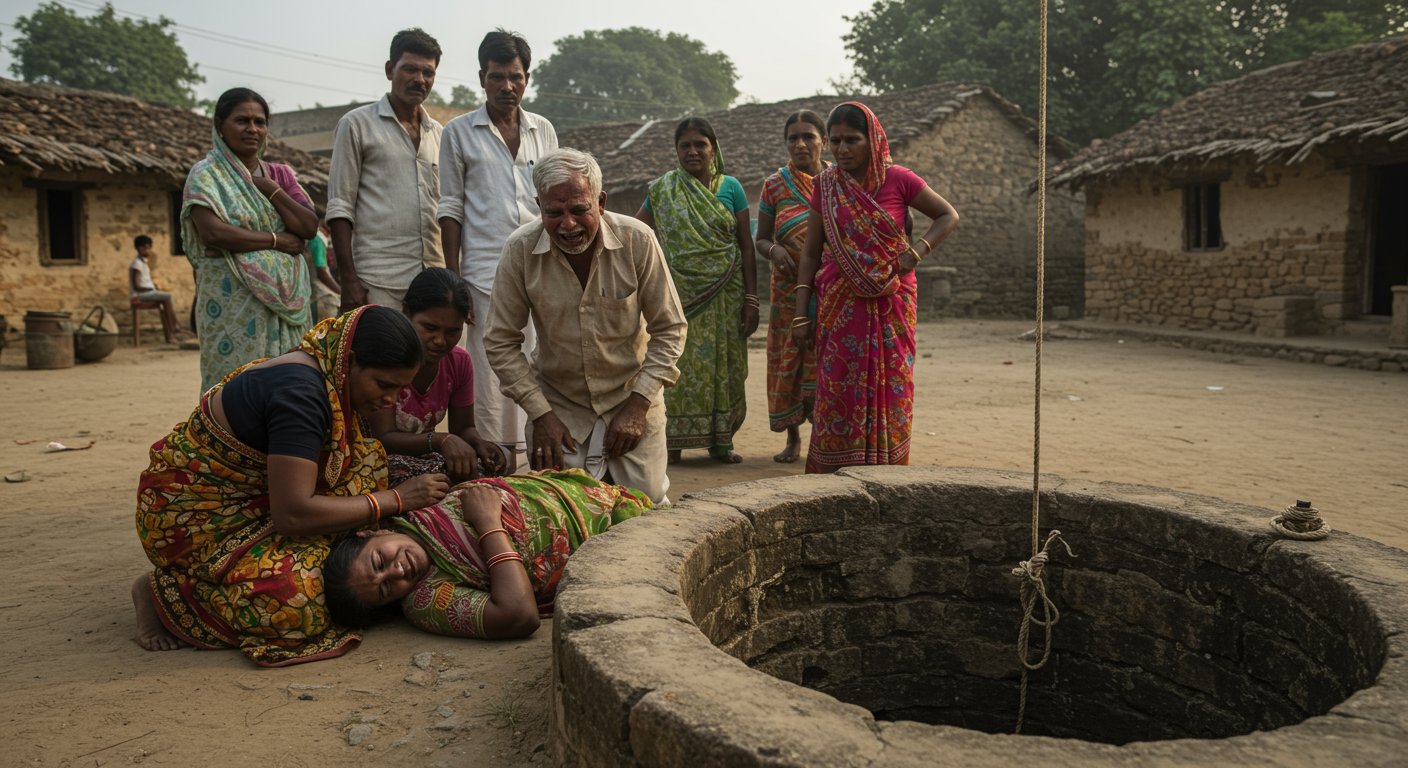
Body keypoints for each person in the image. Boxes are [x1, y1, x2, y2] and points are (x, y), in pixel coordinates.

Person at [130, 306, 451, 666]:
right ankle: (170, 593)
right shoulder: (302, 396)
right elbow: (292, 515)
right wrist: (394, 500)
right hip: (193, 525)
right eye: (384, 384)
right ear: (352, 361)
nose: (391, 400)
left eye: (400, 389)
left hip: (257, 497)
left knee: (374, 477)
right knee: (295, 599)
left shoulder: (327, 375)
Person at [487, 149, 687, 505]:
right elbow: (501, 342)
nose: (568, 224)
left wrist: (640, 403)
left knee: (648, 502)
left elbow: (670, 328)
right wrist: (540, 413)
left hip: (630, 392)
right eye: (554, 212)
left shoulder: (637, 240)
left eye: (579, 210)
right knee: (560, 507)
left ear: (601, 202)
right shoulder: (519, 249)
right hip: (559, 403)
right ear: (539, 205)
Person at [792, 102, 959, 473]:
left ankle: (887, 472)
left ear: (874, 140)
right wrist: (801, 313)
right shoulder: (826, 185)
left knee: (893, 387)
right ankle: (834, 476)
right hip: (839, 302)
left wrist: (917, 252)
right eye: (835, 141)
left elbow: (948, 215)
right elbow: (810, 253)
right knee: (838, 389)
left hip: (892, 303)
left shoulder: (900, 179)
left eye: (852, 140)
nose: (842, 149)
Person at [322, 470, 651, 638]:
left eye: (379, 561)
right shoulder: (425, 600)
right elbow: (517, 616)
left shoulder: (412, 505)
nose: (395, 573)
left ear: (371, 532)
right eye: (384, 589)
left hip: (587, 492)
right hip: (598, 535)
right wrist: (489, 523)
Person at [438, 29, 558, 471]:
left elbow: (552, 196)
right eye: (496, 77)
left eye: (515, 76)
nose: (507, 86)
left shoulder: (542, 129)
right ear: (481, 78)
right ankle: (495, 462)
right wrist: (454, 279)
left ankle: (539, 460)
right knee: (490, 369)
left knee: (541, 359)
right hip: (484, 271)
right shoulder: (458, 132)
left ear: (527, 78)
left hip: (543, 264)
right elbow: (450, 207)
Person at [636, 117, 757, 464]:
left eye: (699, 144)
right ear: (676, 151)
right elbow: (638, 231)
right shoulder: (662, 190)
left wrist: (752, 298)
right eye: (684, 145)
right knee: (677, 366)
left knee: (726, 363)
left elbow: (746, 246)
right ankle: (672, 445)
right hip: (680, 295)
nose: (692, 151)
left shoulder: (731, 187)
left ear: (713, 148)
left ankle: (722, 443)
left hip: (727, 293)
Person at [182, 87, 319, 392]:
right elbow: (213, 233)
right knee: (232, 387)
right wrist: (276, 240)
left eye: (260, 121)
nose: (252, 129)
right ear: (220, 126)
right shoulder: (206, 175)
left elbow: (308, 226)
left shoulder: (280, 175)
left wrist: (270, 189)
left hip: (288, 303)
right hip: (231, 303)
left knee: (290, 385)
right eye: (242, 120)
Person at [328, 28, 445, 312]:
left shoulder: (439, 134)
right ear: (390, 69)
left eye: (428, 73)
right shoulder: (356, 125)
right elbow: (340, 207)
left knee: (430, 356)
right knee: (382, 356)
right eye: (410, 69)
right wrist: (349, 281)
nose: (420, 79)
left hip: (432, 276)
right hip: (376, 278)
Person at [369, 268, 507, 485]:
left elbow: (463, 428)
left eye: (452, 331)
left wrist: (479, 443)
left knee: (484, 472)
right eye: (430, 328)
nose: (440, 341)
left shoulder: (458, 362)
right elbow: (383, 437)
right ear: (406, 312)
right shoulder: (387, 356)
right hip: (377, 456)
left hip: (427, 457)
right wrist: (441, 440)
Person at [754, 111, 827, 464]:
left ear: (822, 142)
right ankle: (793, 438)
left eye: (808, 136)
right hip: (786, 291)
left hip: (830, 289)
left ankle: (824, 437)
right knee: (790, 358)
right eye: (793, 138)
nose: (800, 144)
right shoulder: (775, 185)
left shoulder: (837, 181)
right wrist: (775, 249)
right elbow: (760, 239)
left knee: (826, 360)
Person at [128, 234, 185, 344]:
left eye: (149, 247)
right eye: (146, 248)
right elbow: (136, 286)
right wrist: (151, 290)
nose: (149, 250)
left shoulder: (143, 262)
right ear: (140, 248)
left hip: (147, 292)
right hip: (138, 295)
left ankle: (170, 336)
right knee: (167, 297)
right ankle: (174, 326)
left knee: (165, 303)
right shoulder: (137, 264)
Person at [307, 222, 342, 321]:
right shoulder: (318, 240)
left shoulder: (317, 238)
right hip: (322, 296)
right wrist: (340, 291)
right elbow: (321, 271)